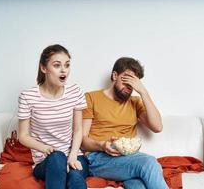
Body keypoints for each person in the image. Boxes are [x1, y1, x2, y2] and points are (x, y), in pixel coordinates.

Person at [81, 57, 169, 189]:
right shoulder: (91, 98)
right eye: (126, 79)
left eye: (133, 83)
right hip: (98, 158)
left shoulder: (135, 102)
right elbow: (82, 140)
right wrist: (102, 145)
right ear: (115, 75)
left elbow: (157, 127)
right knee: (149, 163)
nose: (129, 86)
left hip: (128, 158)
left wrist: (143, 92)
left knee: (139, 186)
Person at [18, 44, 89, 189]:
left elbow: (78, 130)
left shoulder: (75, 92)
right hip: (46, 160)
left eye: (67, 65)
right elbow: (23, 136)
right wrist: (45, 148)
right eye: (57, 65)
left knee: (76, 179)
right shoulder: (28, 97)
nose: (64, 70)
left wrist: (73, 156)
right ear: (44, 68)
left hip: (75, 155)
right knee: (57, 157)